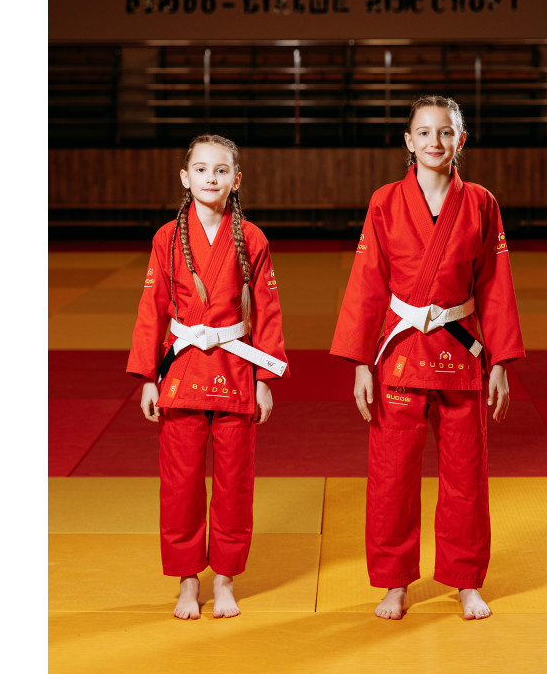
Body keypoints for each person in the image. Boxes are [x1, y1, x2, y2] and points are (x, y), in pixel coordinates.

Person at [330, 95, 524, 621]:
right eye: (424, 132)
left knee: (467, 477)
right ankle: (394, 583)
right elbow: (367, 283)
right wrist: (360, 363)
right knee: (391, 476)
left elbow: (495, 284)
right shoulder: (385, 201)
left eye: (445, 132)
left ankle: (466, 581)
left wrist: (500, 362)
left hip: (461, 351)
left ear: (461, 140)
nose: (434, 142)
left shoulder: (481, 202)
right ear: (408, 141)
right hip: (400, 352)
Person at [127, 134, 289, 620]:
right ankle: (186, 581)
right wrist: (148, 376)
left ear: (236, 180)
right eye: (201, 169)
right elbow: (152, 308)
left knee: (235, 483)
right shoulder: (166, 238)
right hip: (182, 370)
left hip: (236, 368)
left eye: (221, 171)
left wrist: (264, 379)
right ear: (185, 177)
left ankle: (224, 579)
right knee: (180, 484)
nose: (210, 178)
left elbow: (267, 311)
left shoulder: (253, 238)